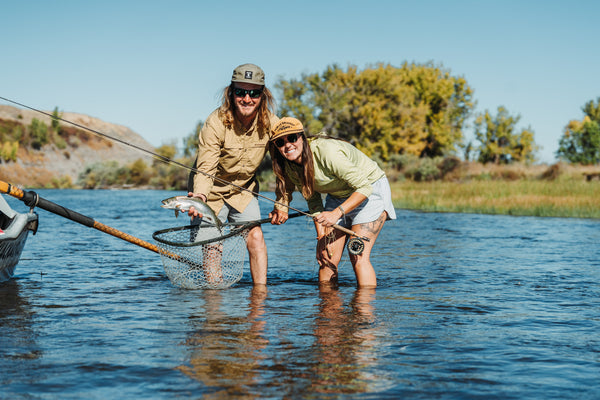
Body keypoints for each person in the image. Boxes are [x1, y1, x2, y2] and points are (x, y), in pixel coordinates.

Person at [268, 117, 396, 288]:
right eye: (280, 142)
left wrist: (336, 213)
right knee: (325, 257)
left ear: (302, 137)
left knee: (357, 253)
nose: (287, 145)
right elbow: (313, 200)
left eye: (292, 138)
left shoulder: (326, 151)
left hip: (370, 189)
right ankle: (327, 312)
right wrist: (321, 236)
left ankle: (364, 313)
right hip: (338, 195)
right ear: (276, 147)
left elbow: (364, 188)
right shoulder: (290, 167)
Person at [187, 63, 279, 286]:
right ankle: (214, 306)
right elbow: (206, 166)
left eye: (254, 93)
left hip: (243, 191)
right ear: (231, 92)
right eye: (240, 92)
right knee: (212, 245)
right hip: (210, 193)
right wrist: (199, 197)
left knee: (256, 237)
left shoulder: (272, 123)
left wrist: (283, 202)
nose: (247, 99)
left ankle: (260, 296)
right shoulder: (215, 122)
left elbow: (284, 167)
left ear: (262, 96)